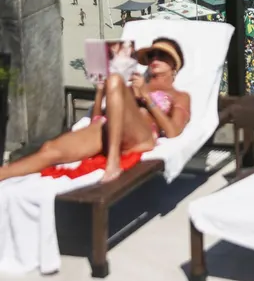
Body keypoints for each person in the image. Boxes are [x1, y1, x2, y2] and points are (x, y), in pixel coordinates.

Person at [0, 38, 191, 183]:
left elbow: (173, 131)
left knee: (115, 79)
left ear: (174, 64)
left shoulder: (179, 95)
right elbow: (98, 118)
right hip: (109, 130)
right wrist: (100, 91)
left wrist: (147, 98)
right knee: (50, 149)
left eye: (162, 55)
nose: (155, 59)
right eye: (151, 55)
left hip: (142, 137)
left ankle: (113, 161)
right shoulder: (134, 84)